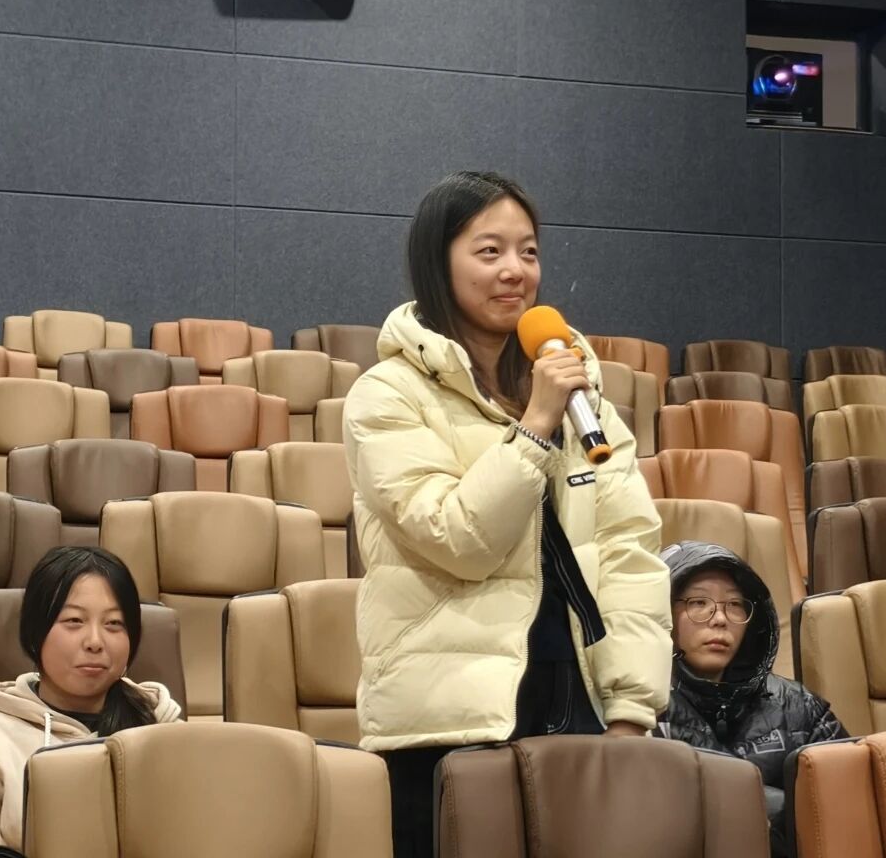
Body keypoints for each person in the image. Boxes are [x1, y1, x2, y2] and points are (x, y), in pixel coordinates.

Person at [344, 170, 671, 857]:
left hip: (576, 693)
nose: (515, 270)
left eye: (528, 251)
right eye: (489, 251)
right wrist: (535, 425)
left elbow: (628, 548)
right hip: (447, 717)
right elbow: (459, 539)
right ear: (438, 262)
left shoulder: (582, 393)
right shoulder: (388, 395)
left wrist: (630, 707)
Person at [0, 547, 181, 858]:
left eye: (114, 624)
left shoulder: (167, 733)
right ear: (35, 634)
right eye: (74, 620)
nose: (95, 641)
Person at [657, 541, 847, 857]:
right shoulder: (638, 709)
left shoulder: (799, 706)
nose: (720, 618)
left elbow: (846, 811)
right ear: (662, 611)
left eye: (735, 604)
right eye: (698, 602)